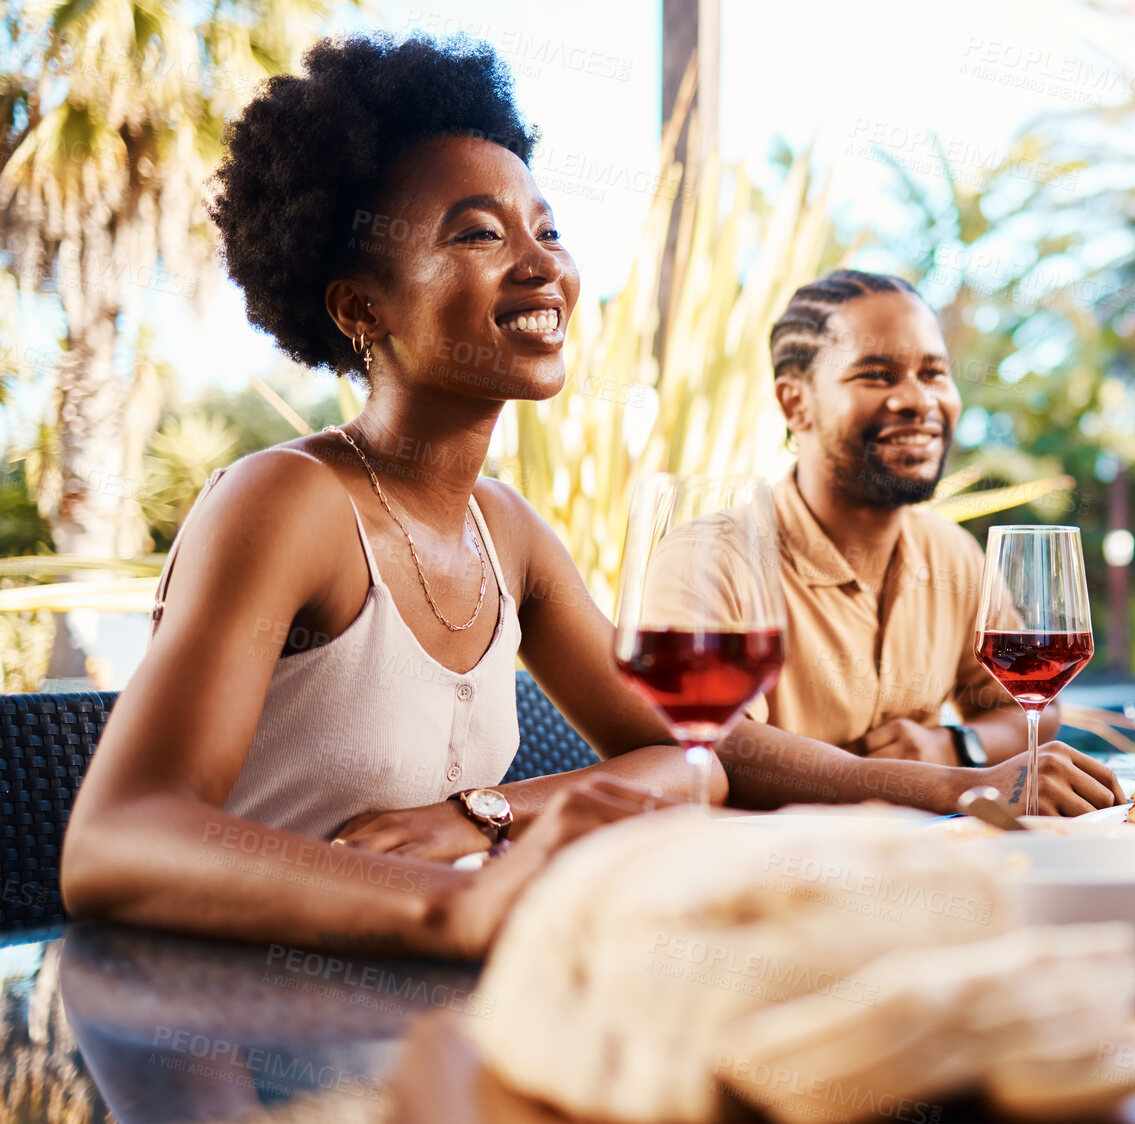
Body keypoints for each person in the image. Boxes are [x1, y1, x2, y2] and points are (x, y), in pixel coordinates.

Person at [61, 33, 714, 958]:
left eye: (548, 228)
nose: (543, 266)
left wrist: (482, 814)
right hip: (240, 1032)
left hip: (423, 1019)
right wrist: (450, 908)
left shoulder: (509, 533)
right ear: (360, 309)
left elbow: (691, 759)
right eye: (481, 233)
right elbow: (115, 844)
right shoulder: (288, 501)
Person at [672, 269, 1124, 815]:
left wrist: (953, 745)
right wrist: (943, 783)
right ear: (796, 405)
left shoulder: (952, 553)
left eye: (934, 373)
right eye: (878, 375)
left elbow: (1029, 708)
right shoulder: (713, 557)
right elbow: (719, 747)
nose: (917, 400)